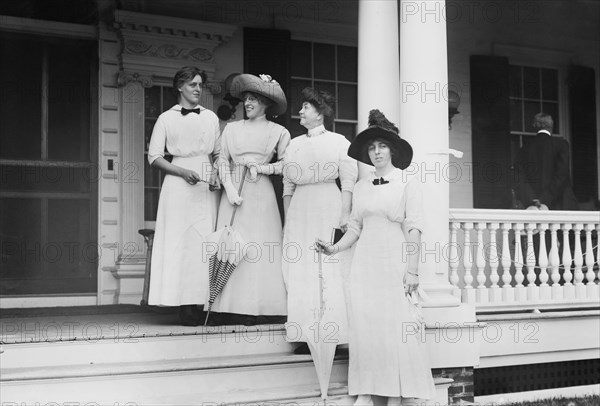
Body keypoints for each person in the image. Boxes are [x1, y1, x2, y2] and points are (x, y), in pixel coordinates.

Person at [316, 110, 436, 406]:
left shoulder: (407, 184)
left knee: (393, 327)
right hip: (365, 265)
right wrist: (334, 248)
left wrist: (412, 271)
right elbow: (355, 227)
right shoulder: (361, 186)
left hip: (394, 261)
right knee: (366, 328)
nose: (377, 152)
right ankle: (368, 391)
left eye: (382, 146)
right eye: (372, 147)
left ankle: (395, 395)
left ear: (392, 150)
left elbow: (414, 228)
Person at [282, 87, 358, 353]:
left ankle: (332, 333)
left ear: (320, 113)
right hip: (300, 210)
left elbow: (348, 180)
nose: (300, 111)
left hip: (328, 204)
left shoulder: (339, 142)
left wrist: (345, 214)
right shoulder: (294, 144)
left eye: (306, 107)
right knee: (301, 267)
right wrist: (288, 221)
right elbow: (288, 185)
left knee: (328, 268)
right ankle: (305, 333)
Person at [210, 73, 290, 324]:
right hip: (234, 190)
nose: (248, 103)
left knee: (258, 246)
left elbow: (287, 164)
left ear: (266, 103)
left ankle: (257, 307)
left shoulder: (279, 131)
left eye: (254, 99)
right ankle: (225, 307)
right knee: (230, 244)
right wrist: (230, 188)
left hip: (261, 193)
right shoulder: (231, 129)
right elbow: (222, 159)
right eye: (245, 99)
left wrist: (264, 168)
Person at [147, 66, 221, 326]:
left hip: (205, 185)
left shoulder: (211, 117)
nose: (198, 89)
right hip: (178, 185)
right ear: (180, 87)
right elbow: (154, 157)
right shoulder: (166, 118)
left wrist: (216, 175)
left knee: (204, 244)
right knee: (181, 243)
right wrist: (181, 171)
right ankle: (182, 306)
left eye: (200, 84)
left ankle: (203, 305)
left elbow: (219, 152)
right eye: (192, 85)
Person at [514, 112, 578, 211]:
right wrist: (544, 200)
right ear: (551, 125)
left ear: (535, 126)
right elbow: (561, 175)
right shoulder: (561, 144)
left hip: (533, 208)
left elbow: (519, 177)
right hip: (560, 205)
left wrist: (532, 201)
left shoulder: (524, 148)